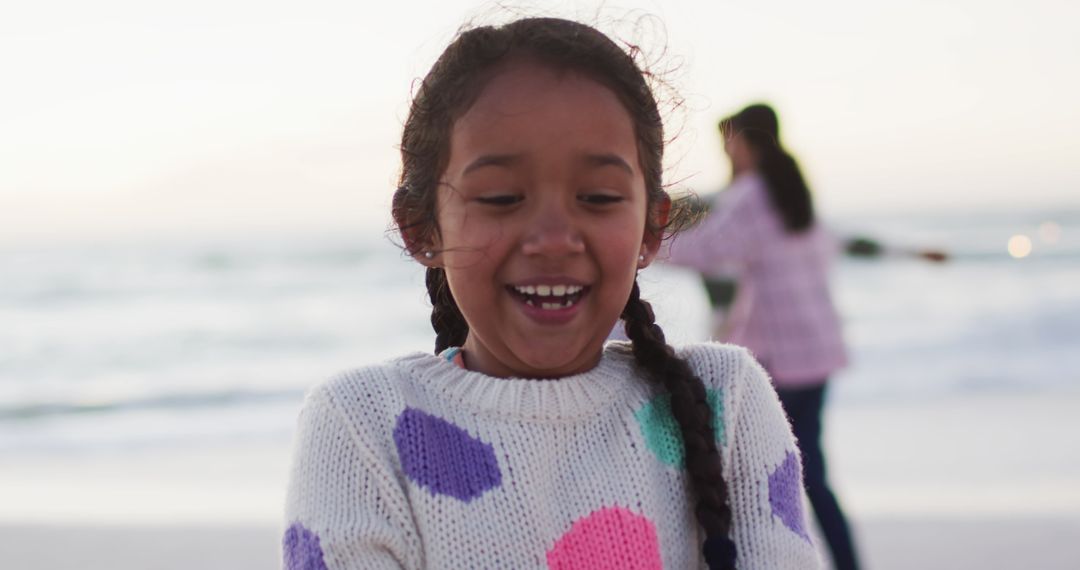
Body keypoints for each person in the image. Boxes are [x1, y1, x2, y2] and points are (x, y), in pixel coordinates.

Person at [283, 20, 820, 570]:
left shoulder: (724, 400)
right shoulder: (363, 425)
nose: (554, 239)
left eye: (598, 196)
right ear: (423, 228)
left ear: (652, 229)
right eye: (500, 197)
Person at [666, 103, 861, 570]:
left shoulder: (752, 194)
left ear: (746, 142)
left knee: (764, 471)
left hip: (783, 358)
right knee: (809, 469)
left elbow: (707, 249)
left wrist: (638, 242)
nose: (726, 153)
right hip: (816, 349)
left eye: (728, 142)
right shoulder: (793, 192)